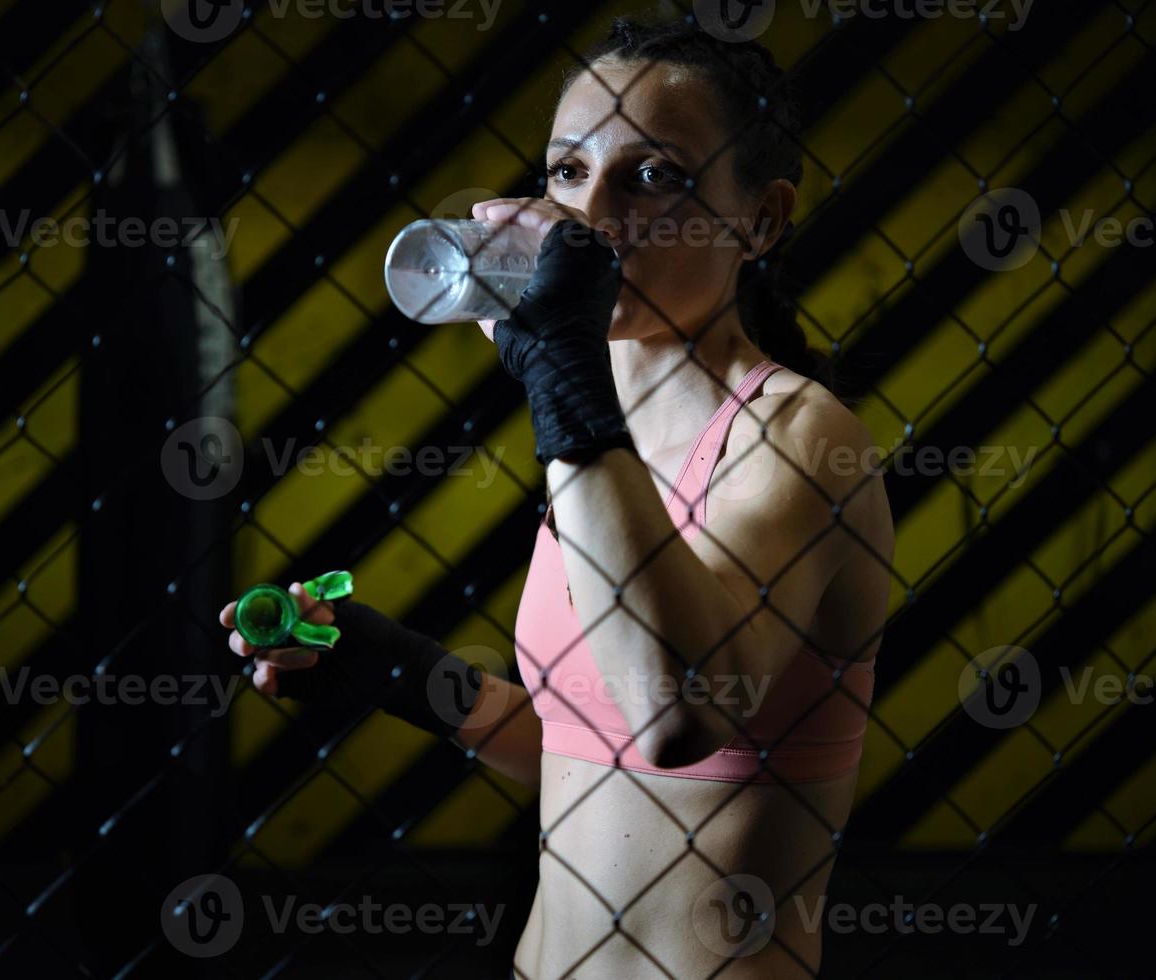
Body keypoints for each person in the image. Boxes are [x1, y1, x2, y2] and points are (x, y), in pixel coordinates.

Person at [220, 14, 894, 977]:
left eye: (652, 176)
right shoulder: (602, 434)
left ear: (762, 218)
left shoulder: (795, 439)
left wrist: (565, 384)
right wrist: (408, 676)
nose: (594, 217)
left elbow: (676, 716)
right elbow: (588, 762)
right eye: (569, 173)